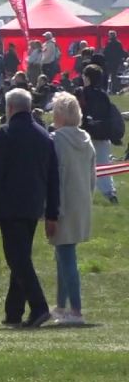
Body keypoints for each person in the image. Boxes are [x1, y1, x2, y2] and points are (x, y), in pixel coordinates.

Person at [0, 88, 60, 328]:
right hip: (34, 206)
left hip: (10, 206)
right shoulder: (45, 137)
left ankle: (39, 307)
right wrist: (52, 212)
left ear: (9, 108)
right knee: (20, 257)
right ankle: (13, 311)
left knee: (17, 259)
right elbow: (54, 178)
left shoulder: (4, 135)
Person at [47, 92, 95, 326]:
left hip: (62, 203)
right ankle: (62, 305)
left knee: (66, 257)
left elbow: (54, 176)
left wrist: (51, 208)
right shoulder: (86, 139)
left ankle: (75, 310)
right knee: (63, 255)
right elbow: (92, 176)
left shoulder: (56, 140)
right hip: (81, 202)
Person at [75, 65, 118, 204]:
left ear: (87, 77)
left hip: (84, 134)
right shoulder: (104, 94)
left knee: (80, 166)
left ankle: (80, 195)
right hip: (103, 134)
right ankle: (110, 194)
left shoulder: (81, 92)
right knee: (103, 166)